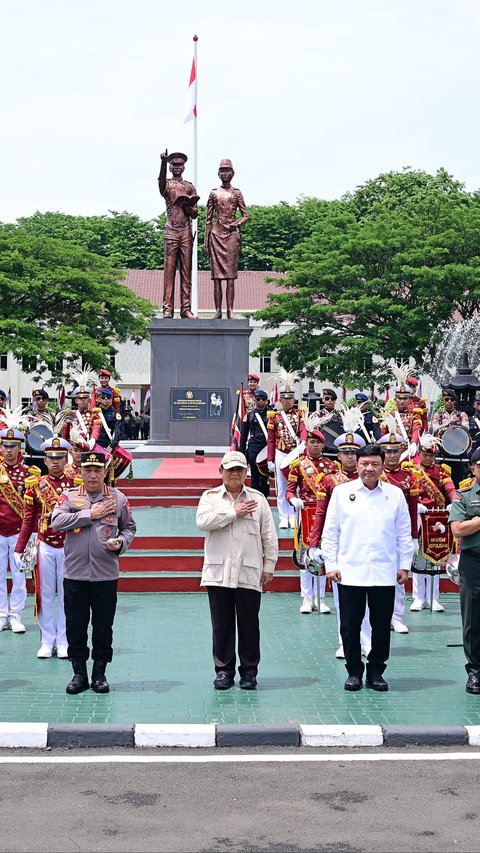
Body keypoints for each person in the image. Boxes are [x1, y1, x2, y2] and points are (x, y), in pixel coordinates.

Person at [322, 444, 414, 692]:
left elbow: (404, 534)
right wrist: (331, 564)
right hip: (350, 571)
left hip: (385, 572)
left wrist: (404, 565)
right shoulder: (342, 493)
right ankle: (354, 671)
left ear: (382, 466)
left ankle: (376, 670)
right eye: (364, 464)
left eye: (374, 464)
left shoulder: (395, 495)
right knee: (350, 625)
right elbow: (330, 533)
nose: (369, 468)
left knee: (382, 626)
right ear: (357, 465)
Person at [51, 451, 136, 695]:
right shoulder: (68, 497)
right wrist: (91, 514)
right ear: (80, 472)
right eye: (87, 469)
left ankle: (100, 674)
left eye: (97, 470)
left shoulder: (118, 499)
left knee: (103, 626)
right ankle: (79, 674)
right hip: (75, 574)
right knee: (76, 626)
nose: (92, 475)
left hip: (105, 576)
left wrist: (120, 542)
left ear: (105, 472)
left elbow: (129, 527)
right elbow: (57, 522)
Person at [196, 450, 278, 690]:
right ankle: (223, 671)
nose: (234, 474)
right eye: (229, 470)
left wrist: (270, 566)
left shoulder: (258, 499)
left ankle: (249, 672)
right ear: (220, 472)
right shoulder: (210, 497)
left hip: (249, 571)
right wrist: (234, 513)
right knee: (221, 625)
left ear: (246, 473)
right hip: (219, 573)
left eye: (239, 470)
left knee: (249, 624)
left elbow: (269, 536)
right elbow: (202, 522)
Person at [308, 413, 370, 660]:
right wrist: (314, 544)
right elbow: (321, 514)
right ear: (339, 454)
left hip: (365, 544)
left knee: (367, 598)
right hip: (341, 547)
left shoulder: (371, 479)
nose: (350, 457)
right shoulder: (329, 481)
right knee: (343, 600)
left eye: (354, 453)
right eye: (345, 453)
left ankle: (366, 641)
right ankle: (346, 642)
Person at [14, 436, 76, 659]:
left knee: (67, 595)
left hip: (70, 546)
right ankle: (46, 639)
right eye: (51, 458)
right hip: (45, 546)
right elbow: (28, 520)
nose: (56, 462)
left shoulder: (76, 485)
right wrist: (19, 548)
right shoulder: (34, 486)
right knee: (45, 594)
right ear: (45, 461)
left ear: (66, 459)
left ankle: (64, 640)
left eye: (60, 458)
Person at [285, 415, 336, 614]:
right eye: (311, 442)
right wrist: (293, 500)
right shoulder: (298, 465)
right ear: (306, 443)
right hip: (305, 512)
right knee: (306, 554)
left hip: (324, 513)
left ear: (323, 445)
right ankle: (307, 597)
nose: (314, 446)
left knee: (323, 554)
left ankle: (321, 597)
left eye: (318, 443)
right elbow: (289, 490)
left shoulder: (332, 467)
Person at [406, 432, 456, 612]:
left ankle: (434, 598)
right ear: (419, 453)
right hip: (418, 515)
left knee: (437, 555)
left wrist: (454, 503)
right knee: (419, 557)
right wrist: (415, 505)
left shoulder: (441, 470)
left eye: (431, 455)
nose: (428, 458)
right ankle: (418, 597)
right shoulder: (411, 469)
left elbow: (450, 489)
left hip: (437, 516)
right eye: (425, 454)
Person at [378, 425, 419, 634]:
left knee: (399, 577)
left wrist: (414, 536)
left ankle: (396, 616)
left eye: (396, 451)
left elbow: (412, 509)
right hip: (378, 533)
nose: (392, 455)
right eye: (388, 451)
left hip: (398, 533)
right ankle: (379, 616)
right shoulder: (374, 474)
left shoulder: (409, 476)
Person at [448, 447, 480, 693]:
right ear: (473, 469)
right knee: (472, 617)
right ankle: (475, 672)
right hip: (474, 561)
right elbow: (457, 529)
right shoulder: (465, 495)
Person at [204, 158, 249, 320]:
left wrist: (235, 224)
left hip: (231, 237)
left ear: (233, 173)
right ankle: (218, 310)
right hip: (216, 236)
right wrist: (206, 241)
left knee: (230, 276)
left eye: (227, 170)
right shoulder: (213, 193)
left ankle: (230, 309)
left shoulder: (236, 193)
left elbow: (246, 216)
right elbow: (208, 219)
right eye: (222, 171)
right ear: (218, 173)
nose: (225, 173)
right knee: (217, 277)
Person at [158, 150, 199, 319]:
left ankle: (186, 308)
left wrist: (187, 207)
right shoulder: (167, 184)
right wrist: (161, 163)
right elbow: (160, 186)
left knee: (186, 271)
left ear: (184, 167)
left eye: (180, 165)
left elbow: (195, 214)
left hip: (186, 231)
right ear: (170, 167)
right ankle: (167, 308)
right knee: (169, 271)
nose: (177, 167)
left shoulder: (189, 186)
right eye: (174, 165)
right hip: (171, 230)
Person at [0, 421, 30, 633]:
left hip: (20, 533)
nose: (9, 450)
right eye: (5, 445)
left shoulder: (29, 474)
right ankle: (2, 614)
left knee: (19, 577)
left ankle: (16, 615)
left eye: (13, 445)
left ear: (20, 448)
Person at [267, 375, 307, 529]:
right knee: (282, 487)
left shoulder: (300, 414)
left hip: (296, 454)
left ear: (294, 400)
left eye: (290, 398)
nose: (288, 401)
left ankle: (294, 516)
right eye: (285, 398)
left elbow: (303, 430)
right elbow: (271, 439)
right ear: (280, 400)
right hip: (281, 453)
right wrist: (270, 458)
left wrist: (303, 443)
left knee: (296, 486)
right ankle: (284, 517)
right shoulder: (274, 417)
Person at [240, 389, 270, 498]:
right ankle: (255, 499)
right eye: (258, 399)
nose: (260, 401)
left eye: (263, 399)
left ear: (267, 401)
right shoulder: (249, 415)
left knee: (265, 477)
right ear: (255, 400)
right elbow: (243, 437)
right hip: (254, 448)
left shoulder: (272, 414)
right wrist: (242, 454)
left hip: (266, 448)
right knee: (255, 477)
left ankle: (264, 498)